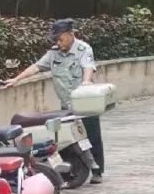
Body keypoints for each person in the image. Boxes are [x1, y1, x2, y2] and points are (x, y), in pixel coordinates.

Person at [6, 18, 105, 182]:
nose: (58, 43)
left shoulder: (83, 49)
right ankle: (71, 171)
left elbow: (88, 67)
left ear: (71, 34)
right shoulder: (53, 53)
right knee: (66, 139)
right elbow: (36, 67)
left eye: (60, 39)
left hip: (85, 103)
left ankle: (97, 172)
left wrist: (86, 82)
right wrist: (16, 79)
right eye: (56, 40)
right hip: (66, 105)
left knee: (91, 137)